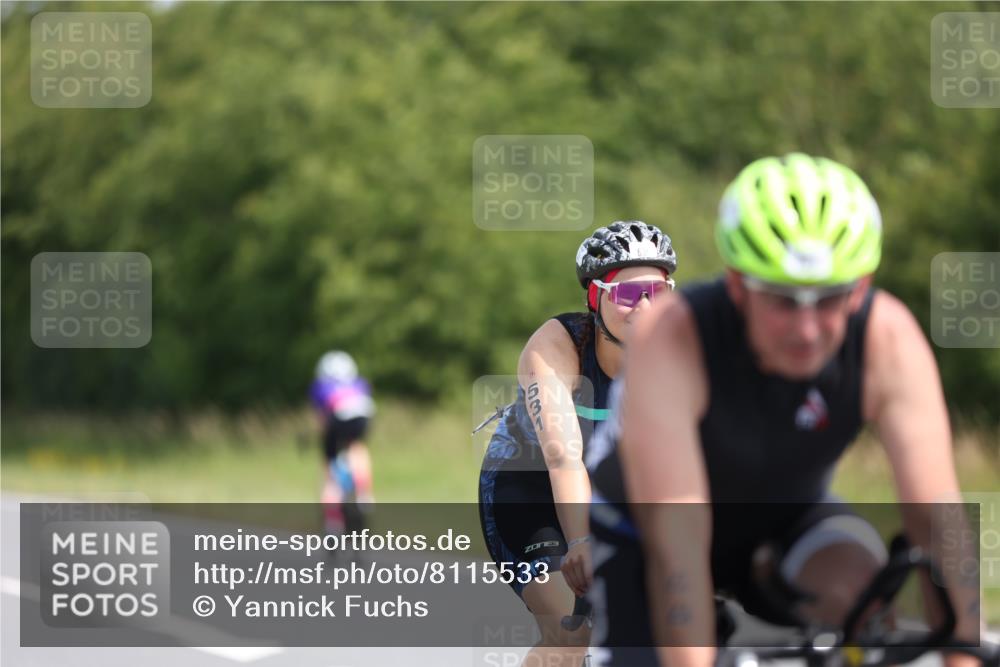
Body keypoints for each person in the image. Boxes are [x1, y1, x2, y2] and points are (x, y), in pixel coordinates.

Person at [585, 154, 982, 666]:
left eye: (830, 299)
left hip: (787, 519)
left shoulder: (888, 337)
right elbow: (677, 549)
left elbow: (937, 520)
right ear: (737, 285)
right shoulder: (673, 335)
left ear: (860, 289)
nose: (807, 328)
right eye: (782, 300)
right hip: (644, 532)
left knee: (865, 603)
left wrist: (963, 657)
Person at [478, 221, 678, 667]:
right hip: (528, 488)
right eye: (628, 295)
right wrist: (583, 541)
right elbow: (562, 456)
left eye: (658, 292)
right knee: (574, 631)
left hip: (609, 489)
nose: (645, 307)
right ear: (595, 297)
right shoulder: (556, 346)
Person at [311, 350, 376, 539]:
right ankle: (363, 492)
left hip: (337, 417)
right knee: (357, 447)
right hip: (362, 415)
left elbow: (322, 421)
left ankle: (332, 521)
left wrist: (325, 443)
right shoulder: (360, 383)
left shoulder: (320, 387)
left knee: (330, 466)